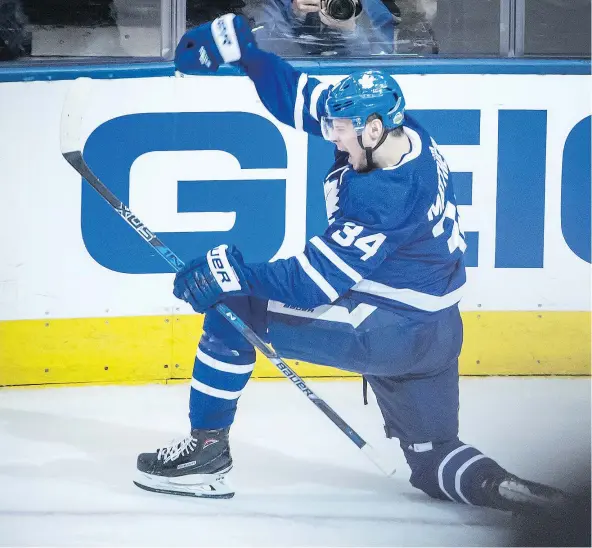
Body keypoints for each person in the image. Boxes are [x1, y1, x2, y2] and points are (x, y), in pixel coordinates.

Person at [134, 14, 570, 514]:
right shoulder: (401, 133)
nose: (333, 138)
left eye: (342, 132)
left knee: (233, 309)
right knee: (433, 464)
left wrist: (234, 276)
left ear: (375, 128)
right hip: (438, 333)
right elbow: (299, 98)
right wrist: (248, 57)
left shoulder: (385, 196)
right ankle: (519, 493)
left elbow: (311, 283)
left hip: (387, 331)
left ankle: (205, 456)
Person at [244, 0, 398, 56]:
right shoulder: (279, 4)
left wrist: (350, 31)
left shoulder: (370, 7)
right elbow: (261, 53)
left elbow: (383, 63)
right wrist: (295, 15)